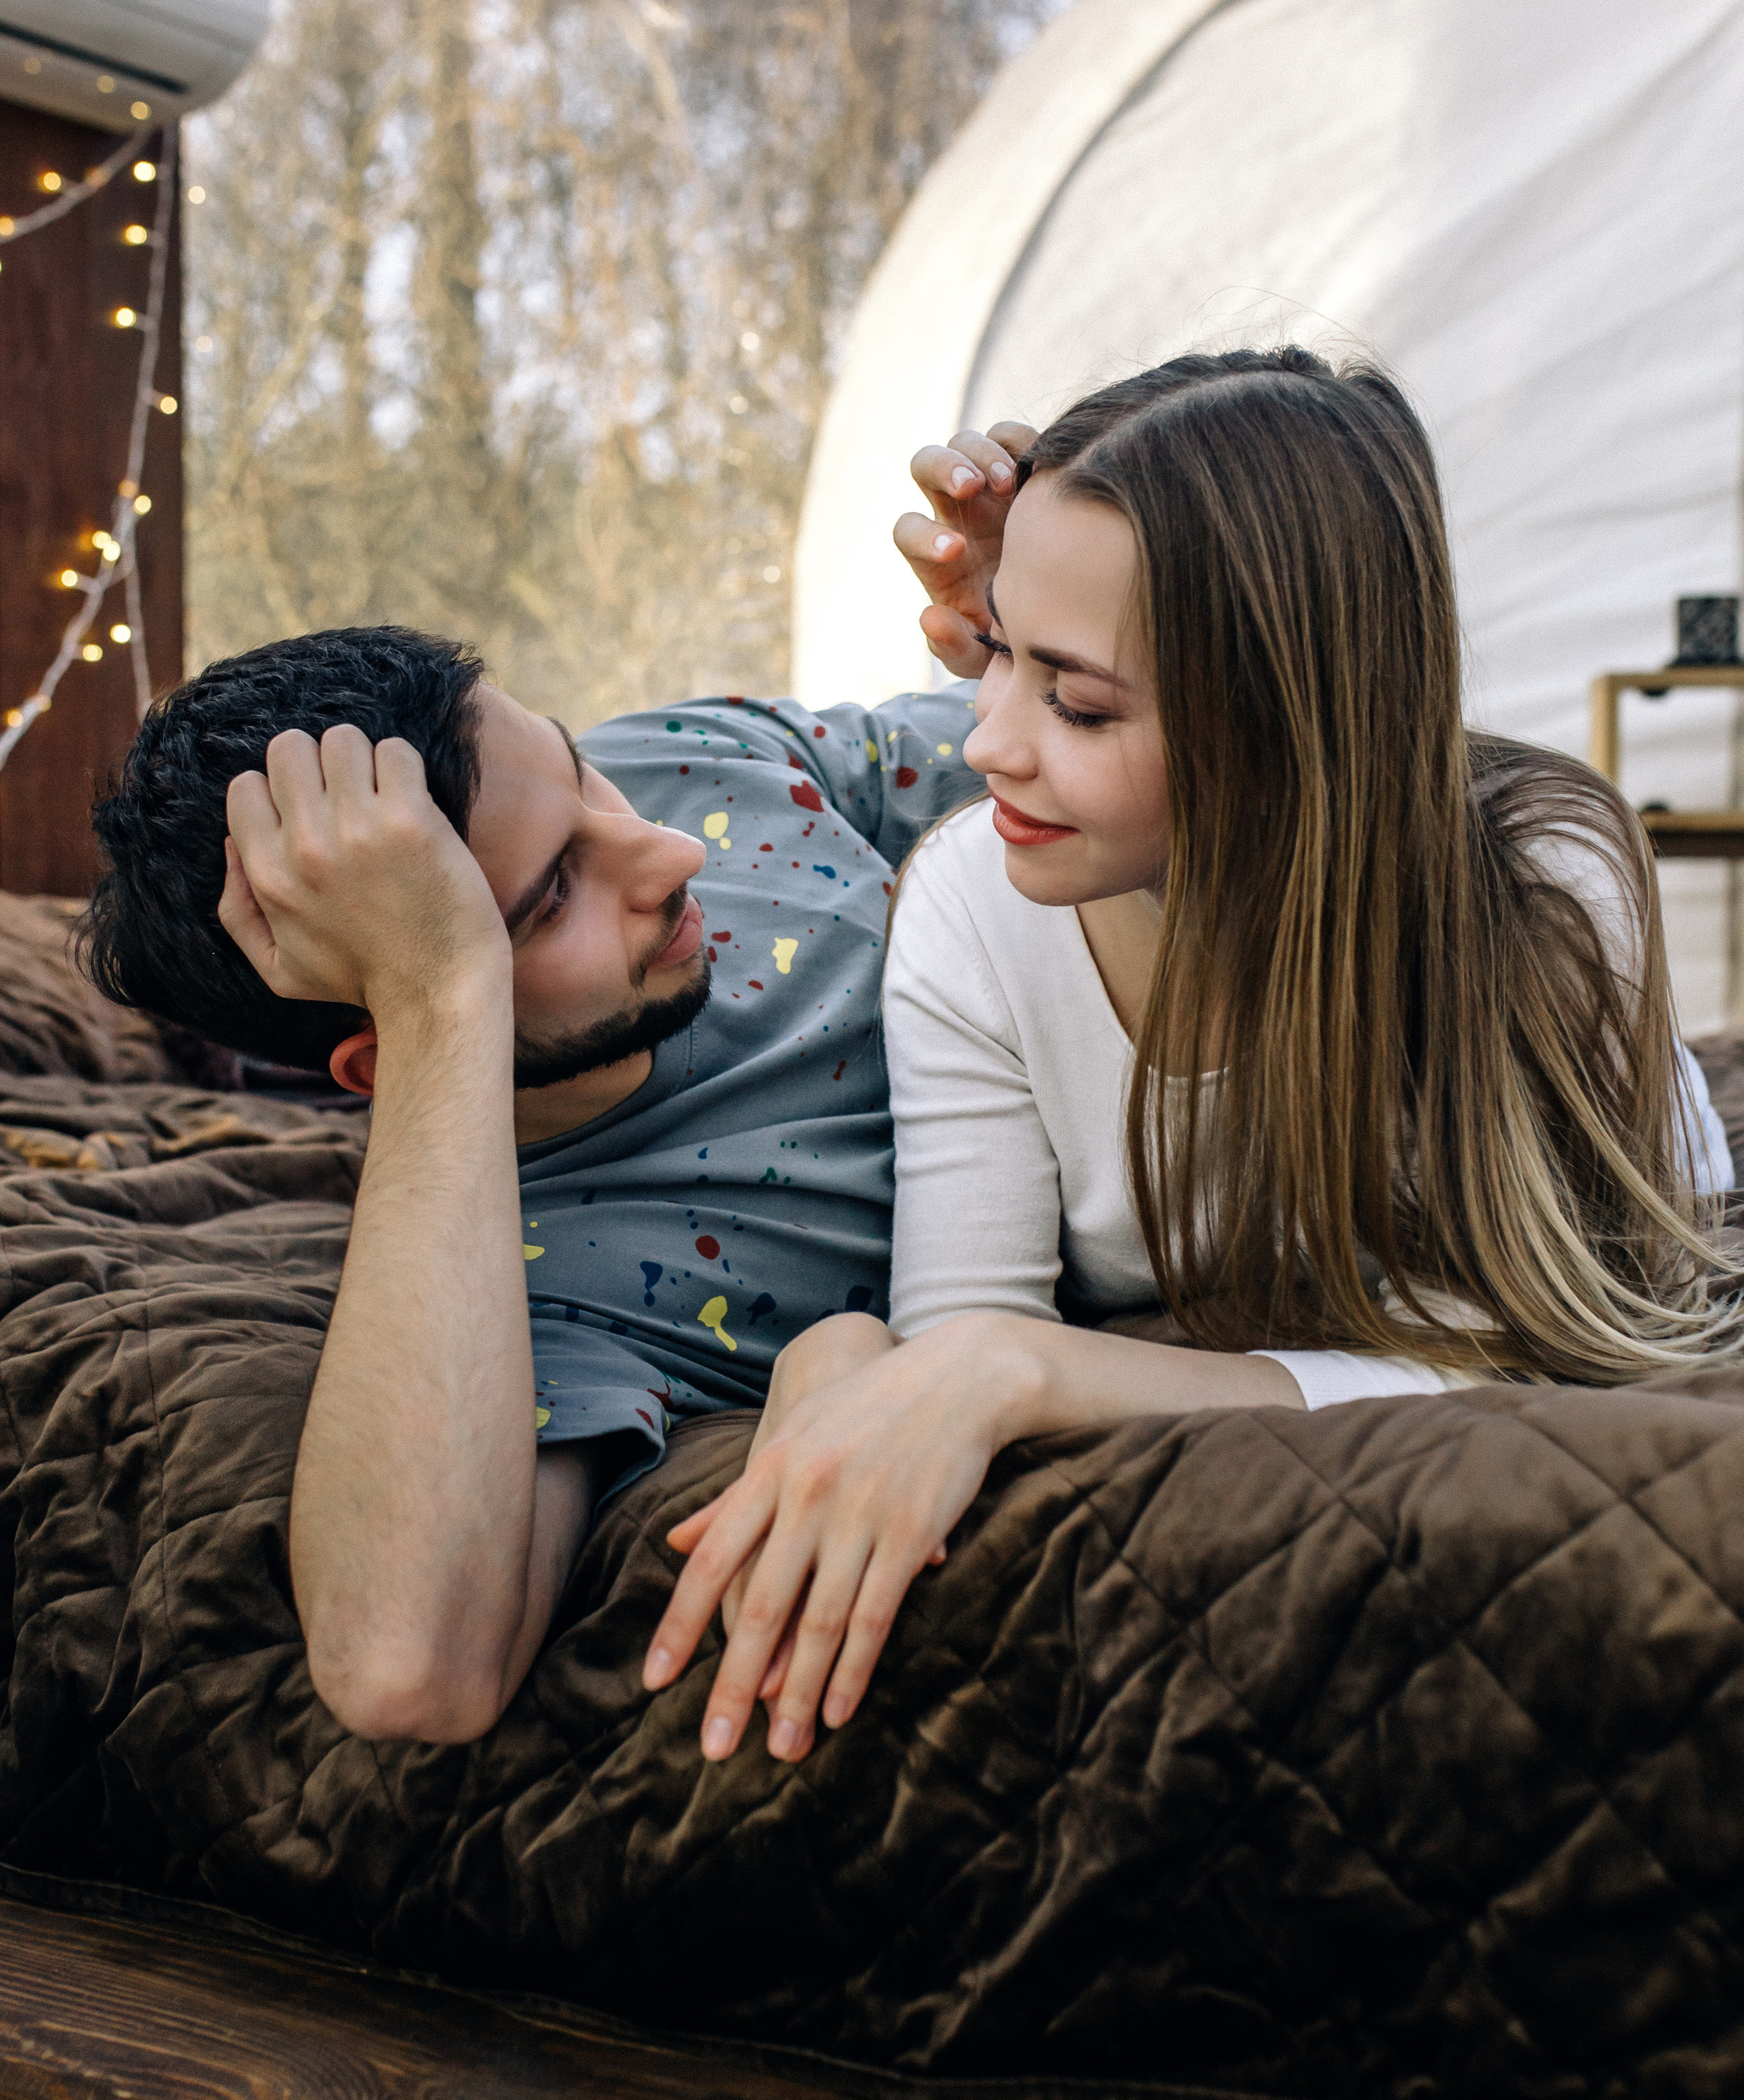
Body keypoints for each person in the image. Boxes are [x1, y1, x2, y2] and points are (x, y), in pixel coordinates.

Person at [640, 349, 1742, 1773]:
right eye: (995, 661)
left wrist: (1023, 1377)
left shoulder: (1545, 883)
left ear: (1285, 727)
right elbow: (953, 1340)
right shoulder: (973, 902)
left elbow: (1536, 1346)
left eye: (1077, 705)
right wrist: (870, 1365)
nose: (988, 745)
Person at [84, 627, 980, 1741]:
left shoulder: (686, 756)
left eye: (579, 770)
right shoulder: (556, 1293)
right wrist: (440, 996)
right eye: (551, 899)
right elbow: (405, 1670)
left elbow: (1080, 740)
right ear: (386, 1055)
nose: (664, 853)